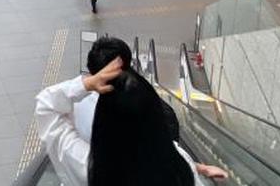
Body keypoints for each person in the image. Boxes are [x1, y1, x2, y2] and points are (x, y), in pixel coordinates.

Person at [36, 56, 228, 186]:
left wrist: (86, 84)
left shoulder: (89, 166)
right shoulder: (177, 166)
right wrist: (201, 168)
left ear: (103, 126)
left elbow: (46, 105)